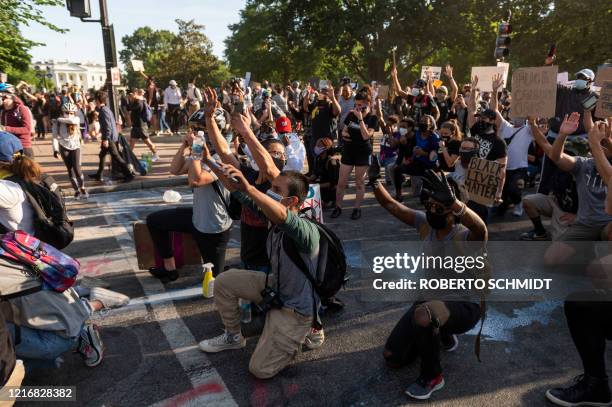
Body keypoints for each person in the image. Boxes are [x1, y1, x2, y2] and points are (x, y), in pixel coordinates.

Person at [369, 168, 485, 400]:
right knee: (392, 357)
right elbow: (392, 205)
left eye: (439, 207)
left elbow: (480, 228)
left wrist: (455, 203)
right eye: (429, 205)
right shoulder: (426, 225)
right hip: (431, 301)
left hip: (463, 305)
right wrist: (374, 182)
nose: (432, 210)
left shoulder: (464, 236)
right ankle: (440, 333)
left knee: (424, 315)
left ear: (454, 212)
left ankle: (433, 376)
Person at [198, 163, 321, 379]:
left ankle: (308, 331)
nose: (270, 192)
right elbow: (237, 191)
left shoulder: (306, 229)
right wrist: (209, 160)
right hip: (276, 286)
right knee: (225, 281)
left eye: (277, 190)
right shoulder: (270, 215)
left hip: (297, 309)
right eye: (270, 187)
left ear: (292, 201)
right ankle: (234, 337)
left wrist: (250, 189)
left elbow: (283, 217)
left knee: (260, 370)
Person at [203, 87, 285, 272]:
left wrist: (246, 132)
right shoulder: (250, 175)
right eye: (272, 152)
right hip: (248, 258)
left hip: (272, 264)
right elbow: (224, 151)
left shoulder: (281, 183)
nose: (277, 156)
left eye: (281, 154)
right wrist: (209, 119)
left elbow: (270, 168)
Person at [146, 110, 232, 283]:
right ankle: (169, 268)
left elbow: (196, 180)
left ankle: (225, 271)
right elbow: (174, 169)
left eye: (197, 130)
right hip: (197, 218)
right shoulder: (198, 153)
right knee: (154, 221)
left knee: (216, 282)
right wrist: (184, 146)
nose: (193, 134)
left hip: (214, 227)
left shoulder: (223, 158)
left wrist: (196, 149)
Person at [520, 116, 578, 241]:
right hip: (557, 204)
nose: (558, 154)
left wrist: (578, 216)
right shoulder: (556, 159)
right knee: (528, 201)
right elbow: (544, 143)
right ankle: (540, 232)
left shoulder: (585, 168)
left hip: (573, 213)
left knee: (555, 256)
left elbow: (597, 203)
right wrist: (533, 124)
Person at [488, 73, 532, 217]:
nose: (517, 115)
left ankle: (519, 204)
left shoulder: (528, 129)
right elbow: (494, 111)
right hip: (504, 168)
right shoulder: (505, 126)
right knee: (503, 200)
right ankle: (508, 203)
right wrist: (494, 92)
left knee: (515, 188)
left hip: (520, 168)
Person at [466, 76, 507, 223]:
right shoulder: (476, 130)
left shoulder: (499, 143)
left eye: (484, 119)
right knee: (467, 212)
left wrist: (499, 192)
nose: (481, 120)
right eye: (480, 118)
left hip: (485, 182)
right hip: (470, 176)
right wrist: (472, 90)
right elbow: (471, 109)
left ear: (492, 121)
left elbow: (502, 169)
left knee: (482, 216)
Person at [333, 86, 378, 220]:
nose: (357, 107)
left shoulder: (372, 118)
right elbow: (344, 131)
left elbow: (366, 136)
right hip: (349, 151)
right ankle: (338, 207)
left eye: (360, 105)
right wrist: (347, 135)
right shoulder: (351, 114)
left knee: (359, 182)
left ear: (367, 104)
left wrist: (360, 120)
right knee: (341, 182)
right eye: (356, 104)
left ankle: (357, 208)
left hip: (363, 153)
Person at [88, 91, 134, 183]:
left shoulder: (104, 111)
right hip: (110, 137)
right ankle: (99, 174)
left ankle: (128, 175)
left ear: (97, 100)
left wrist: (106, 139)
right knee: (102, 155)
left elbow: (108, 127)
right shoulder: (105, 109)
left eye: (95, 100)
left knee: (117, 157)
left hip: (109, 138)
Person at [392, 114, 440, 202]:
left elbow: (435, 156)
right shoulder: (417, 134)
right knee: (397, 169)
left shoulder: (434, 138)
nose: (422, 123)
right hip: (416, 162)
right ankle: (399, 194)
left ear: (431, 124)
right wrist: (409, 159)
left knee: (423, 200)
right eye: (421, 121)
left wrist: (423, 153)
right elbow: (411, 148)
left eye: (425, 122)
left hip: (429, 166)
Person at [52, 103, 88, 199]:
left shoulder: (76, 119)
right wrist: (55, 150)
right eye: (67, 112)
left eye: (71, 113)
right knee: (70, 170)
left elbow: (71, 120)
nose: (69, 114)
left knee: (77, 168)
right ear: (63, 112)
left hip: (76, 146)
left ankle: (83, 187)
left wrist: (58, 119)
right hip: (64, 146)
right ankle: (76, 190)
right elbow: (55, 137)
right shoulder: (58, 123)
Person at [303, 82, 341, 175]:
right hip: (315, 138)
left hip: (327, 139)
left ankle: (330, 179)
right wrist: (307, 94)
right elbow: (305, 107)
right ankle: (316, 176)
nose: (322, 93)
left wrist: (333, 98)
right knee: (316, 159)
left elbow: (338, 111)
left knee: (328, 160)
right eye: (321, 91)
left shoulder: (330, 105)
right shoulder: (316, 104)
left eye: (325, 91)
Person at [0, 84, 33, 158]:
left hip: (21, 146)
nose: (2, 99)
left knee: (22, 167)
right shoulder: (2, 111)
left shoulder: (21, 109)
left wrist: (5, 129)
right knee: (10, 168)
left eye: (3, 97)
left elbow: (27, 129)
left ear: (11, 96)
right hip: (8, 146)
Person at [308, 137, 340, 208]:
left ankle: (332, 201)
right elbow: (314, 175)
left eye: (319, 146)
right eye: (316, 145)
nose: (316, 147)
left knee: (316, 206)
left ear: (326, 148)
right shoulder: (319, 159)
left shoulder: (331, 162)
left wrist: (316, 186)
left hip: (330, 191)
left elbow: (333, 184)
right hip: (321, 188)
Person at [128, 89, 158, 160]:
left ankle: (155, 154)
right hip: (135, 126)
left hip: (141, 126)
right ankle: (128, 158)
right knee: (132, 142)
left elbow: (131, 108)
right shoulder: (136, 102)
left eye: (131, 95)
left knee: (148, 142)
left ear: (136, 94)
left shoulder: (139, 102)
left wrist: (133, 99)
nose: (129, 97)